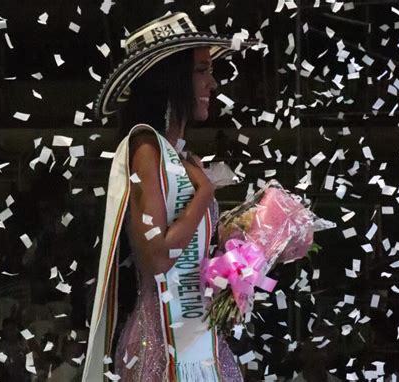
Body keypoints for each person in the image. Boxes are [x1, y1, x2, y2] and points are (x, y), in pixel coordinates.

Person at [83, 12, 258, 381]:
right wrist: (205, 194)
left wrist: (240, 257)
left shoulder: (181, 156)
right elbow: (158, 259)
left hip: (199, 340)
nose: (212, 83)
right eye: (201, 71)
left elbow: (190, 251)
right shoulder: (146, 149)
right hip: (161, 350)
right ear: (170, 79)